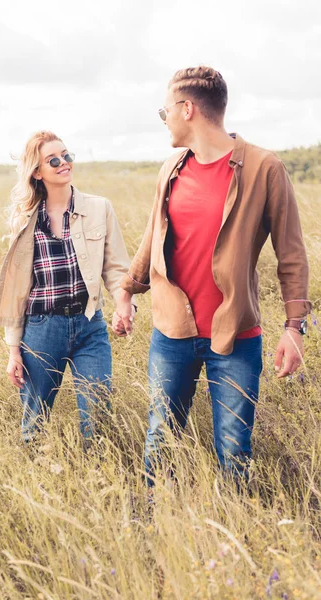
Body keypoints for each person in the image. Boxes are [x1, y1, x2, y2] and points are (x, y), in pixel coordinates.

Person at [114, 66, 311, 485]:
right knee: (160, 439)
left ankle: (229, 537)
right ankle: (151, 530)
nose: (163, 118)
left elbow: (291, 255)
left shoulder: (264, 168)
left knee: (234, 449)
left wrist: (295, 328)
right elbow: (154, 235)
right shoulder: (171, 168)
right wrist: (127, 291)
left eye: (164, 110)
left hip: (235, 337)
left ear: (187, 109)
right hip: (171, 336)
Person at [0, 131, 135, 443]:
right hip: (42, 329)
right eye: (52, 160)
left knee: (98, 419)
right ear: (37, 173)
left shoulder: (100, 208)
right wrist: (13, 350)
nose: (63, 163)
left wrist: (125, 304)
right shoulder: (25, 219)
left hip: (89, 325)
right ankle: (35, 482)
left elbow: (116, 268)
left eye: (66, 155)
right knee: (34, 423)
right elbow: (17, 290)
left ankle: (98, 482)